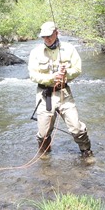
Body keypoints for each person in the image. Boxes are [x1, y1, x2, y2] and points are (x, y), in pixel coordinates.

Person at [28, 21, 93, 158]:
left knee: (76, 128)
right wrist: (52, 77)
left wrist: (66, 74)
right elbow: (33, 75)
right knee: (44, 133)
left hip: (64, 93)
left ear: (56, 33)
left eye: (49, 36)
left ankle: (86, 152)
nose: (47, 39)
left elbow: (77, 69)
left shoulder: (69, 49)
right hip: (44, 95)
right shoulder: (35, 52)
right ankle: (45, 156)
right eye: (44, 37)